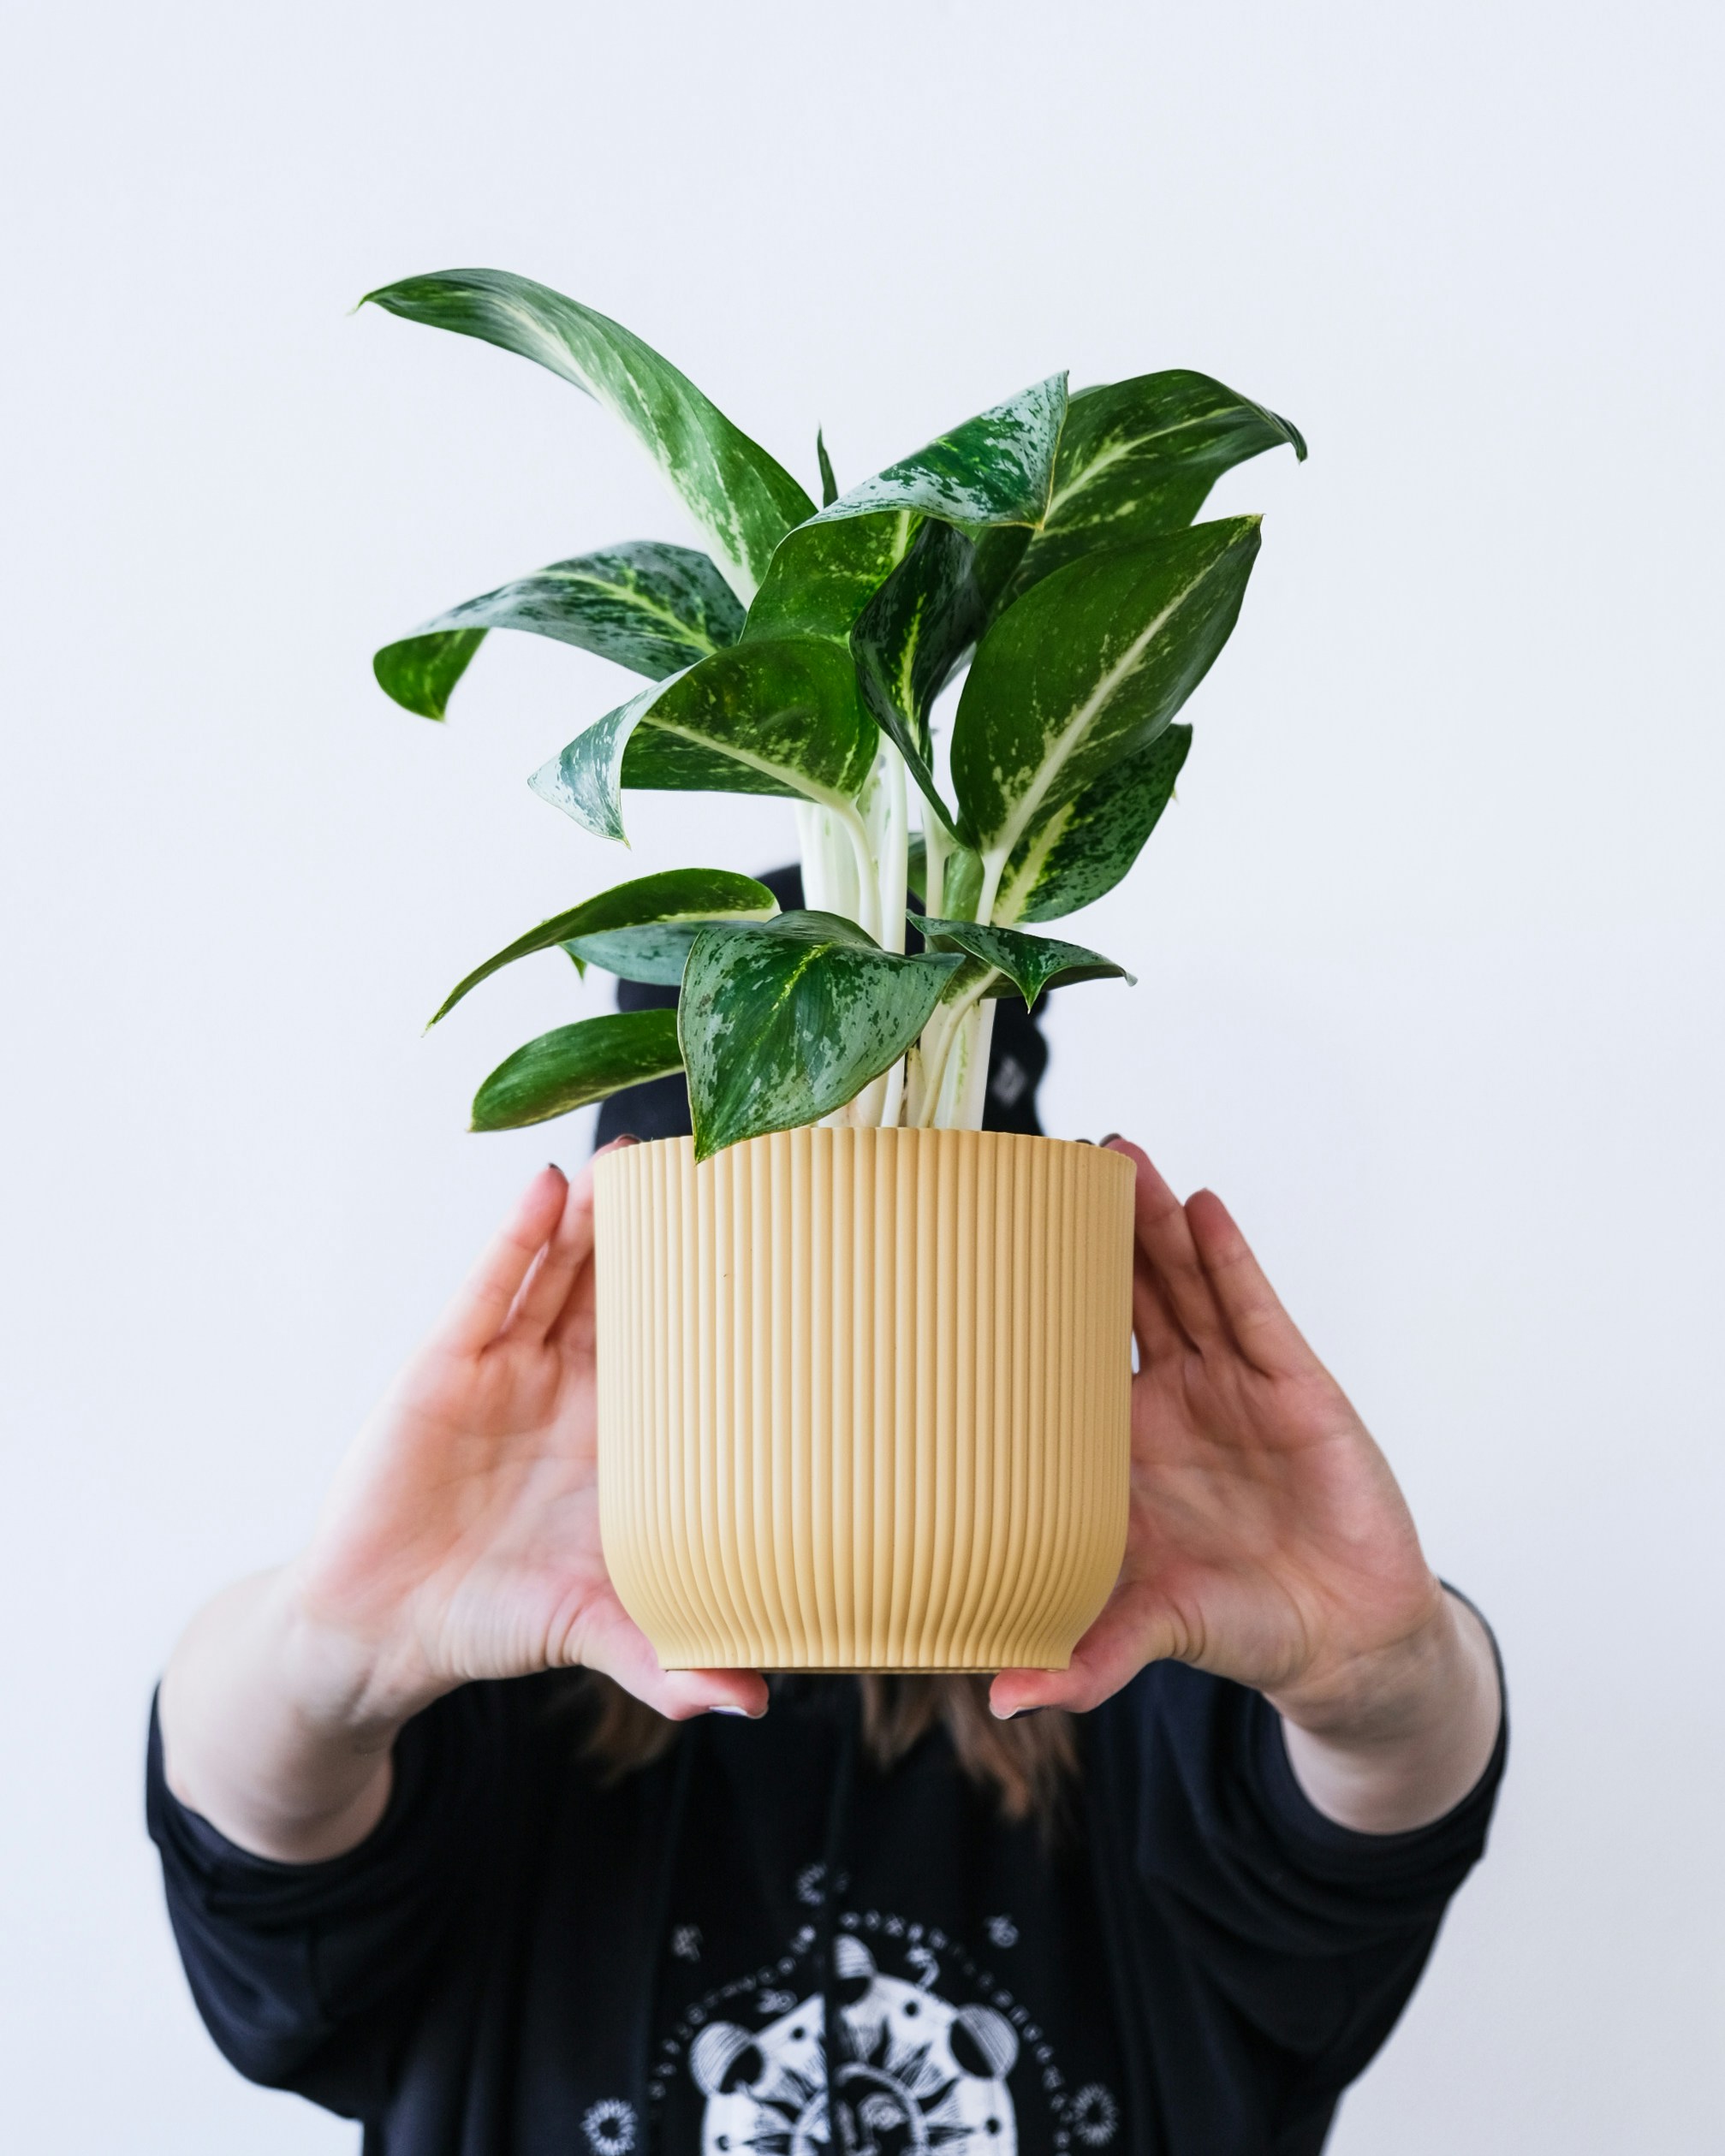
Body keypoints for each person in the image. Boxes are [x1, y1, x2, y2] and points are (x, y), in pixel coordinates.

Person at [148, 940, 1505, 2156]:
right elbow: (259, 1832)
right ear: (629, 1300)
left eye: (890, 1279)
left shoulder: (1160, 1688)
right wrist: (333, 1646)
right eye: (753, 1288)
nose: (826, 1357)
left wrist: (1385, 1667)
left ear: (1015, 1292)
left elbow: (1378, 1806)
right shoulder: (486, 1724)